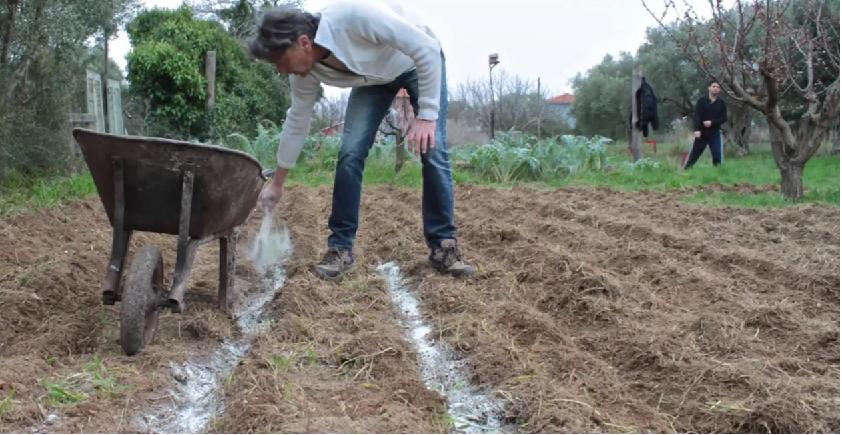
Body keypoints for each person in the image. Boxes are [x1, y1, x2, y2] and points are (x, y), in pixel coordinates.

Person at [249, 1, 475, 280]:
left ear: (304, 43)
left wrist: (427, 116)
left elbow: (426, 48)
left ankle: (444, 247)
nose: (281, 71)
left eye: (281, 61)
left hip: (414, 62)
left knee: (433, 148)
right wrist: (278, 183)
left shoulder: (354, 17)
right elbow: (297, 121)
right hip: (373, 81)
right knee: (350, 152)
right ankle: (340, 249)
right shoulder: (305, 73)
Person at [684, 80, 727, 169]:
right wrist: (697, 130)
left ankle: (718, 173)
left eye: (718, 87)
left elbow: (723, 118)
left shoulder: (721, 103)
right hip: (702, 133)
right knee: (694, 155)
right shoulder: (702, 101)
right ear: (709, 88)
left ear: (719, 90)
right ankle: (686, 170)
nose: (716, 88)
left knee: (717, 155)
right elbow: (697, 115)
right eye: (714, 86)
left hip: (715, 133)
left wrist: (712, 122)